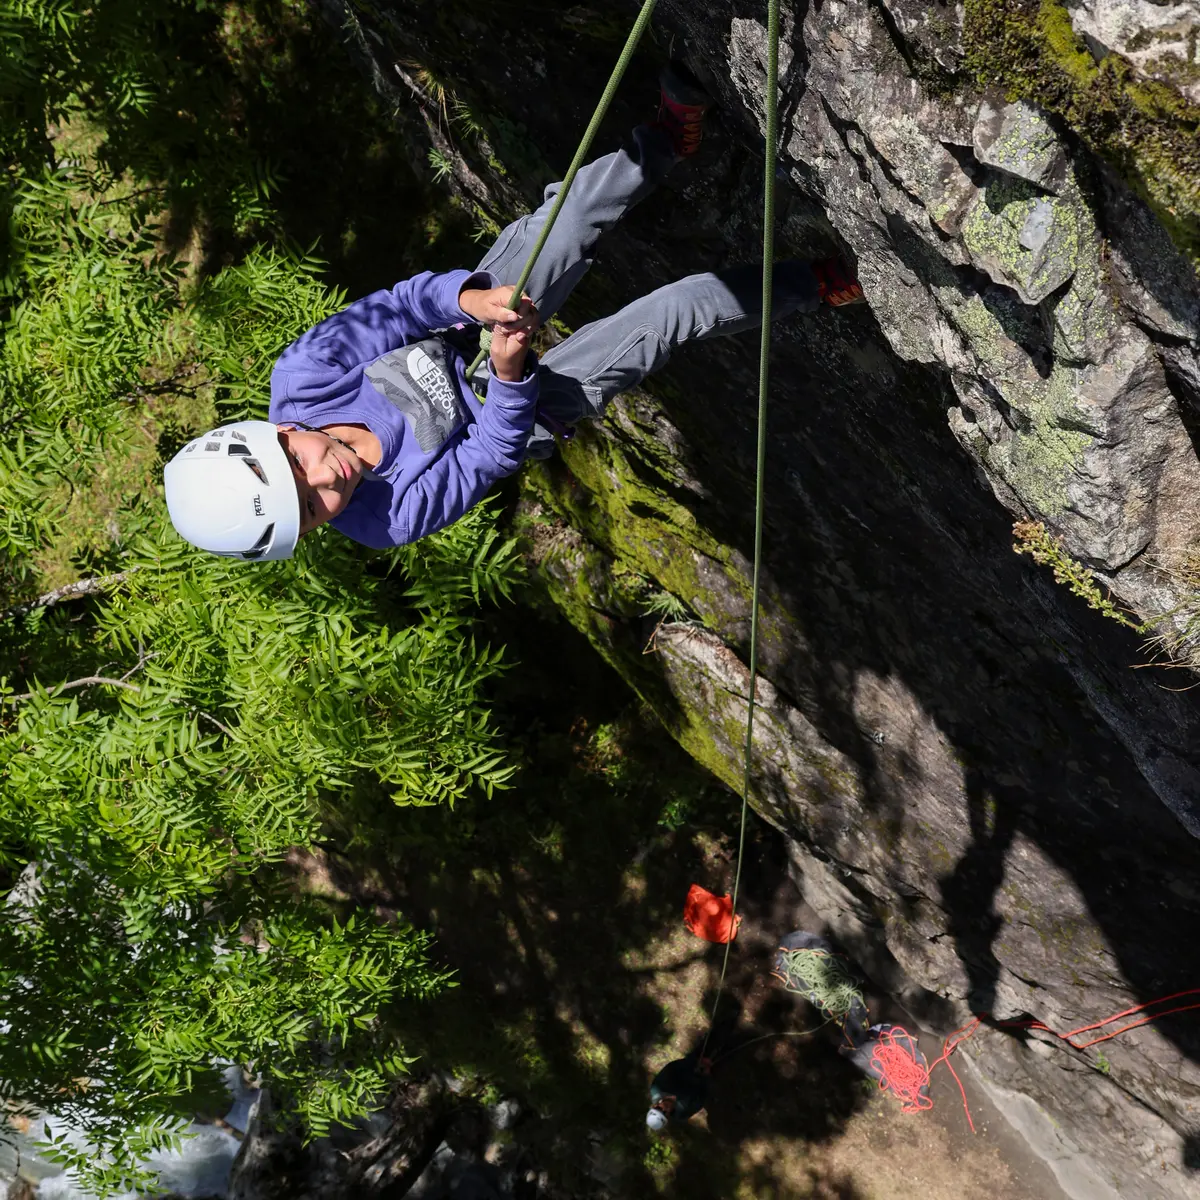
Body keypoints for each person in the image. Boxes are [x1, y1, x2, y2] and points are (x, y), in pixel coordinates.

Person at [164, 63, 865, 562]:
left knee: (561, 227)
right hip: (518, 412)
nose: (328, 483)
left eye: (302, 471)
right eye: (313, 510)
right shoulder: (386, 520)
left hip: (460, 324)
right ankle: (822, 282)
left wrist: (471, 301)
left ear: (285, 430)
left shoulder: (306, 372)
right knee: (672, 312)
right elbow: (487, 455)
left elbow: (405, 307)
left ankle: (660, 146)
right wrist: (510, 375)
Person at [646, 1048, 713, 1132]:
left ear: (655, 1106)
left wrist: (695, 1062)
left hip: (694, 1063)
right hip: (709, 1077)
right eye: (665, 1113)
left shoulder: (658, 1087)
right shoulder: (681, 1114)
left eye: (659, 1109)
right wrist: (707, 1077)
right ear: (667, 1117)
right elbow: (701, 1100)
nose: (664, 1109)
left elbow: (673, 1067)